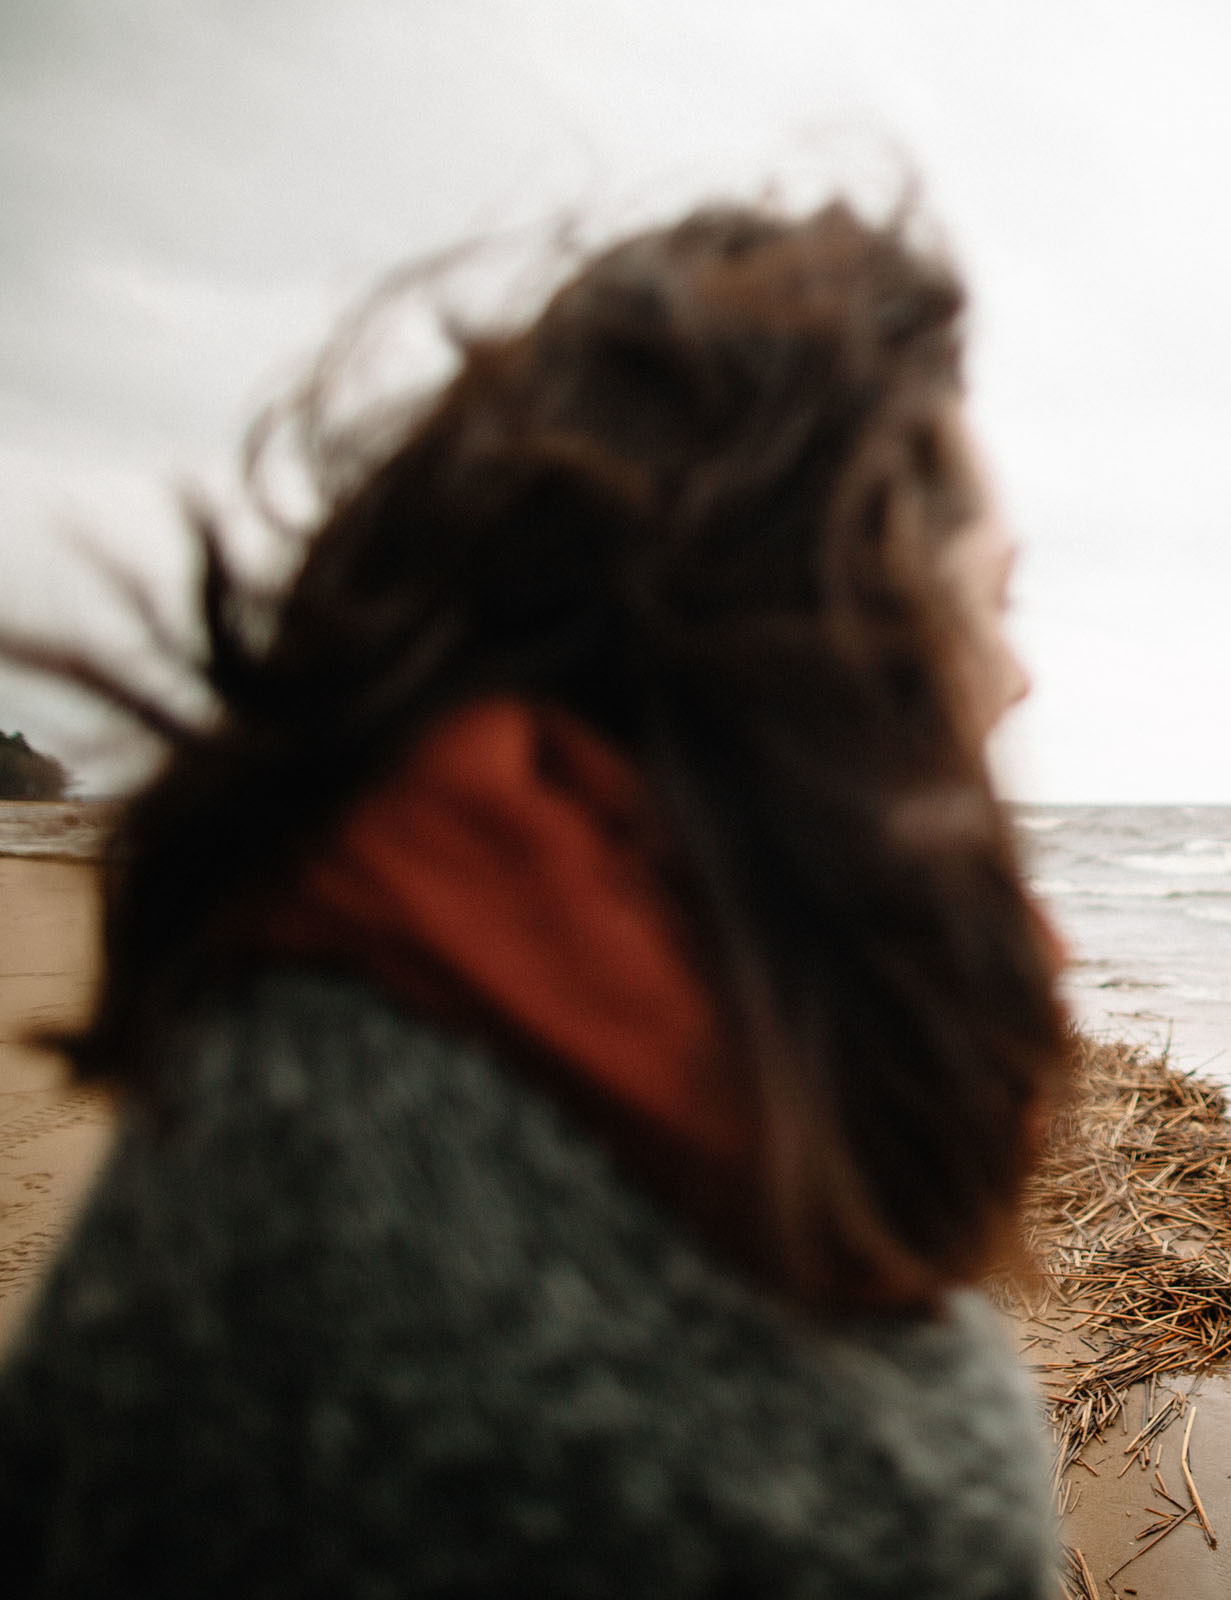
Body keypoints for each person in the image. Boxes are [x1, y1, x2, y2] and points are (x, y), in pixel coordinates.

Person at [0, 201, 1072, 1594]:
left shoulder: (303, 1022)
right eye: (994, 598)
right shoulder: (867, 1494)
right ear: (829, 657)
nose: (1016, 676)